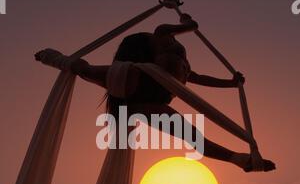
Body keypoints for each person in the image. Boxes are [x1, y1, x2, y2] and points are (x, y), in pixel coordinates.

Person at [35, 13, 275, 172]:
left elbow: (200, 79)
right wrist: (188, 21)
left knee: (191, 136)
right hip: (137, 79)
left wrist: (231, 83)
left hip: (148, 96)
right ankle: (54, 58)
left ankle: (240, 160)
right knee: (83, 69)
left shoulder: (183, 69)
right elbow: (190, 28)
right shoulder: (161, 34)